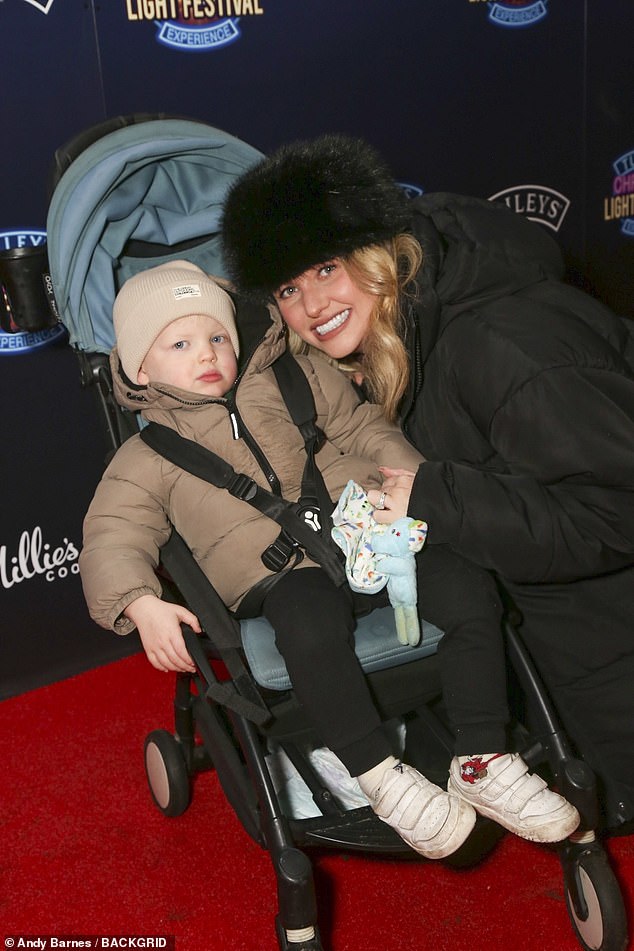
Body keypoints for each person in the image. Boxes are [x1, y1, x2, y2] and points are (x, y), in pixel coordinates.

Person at [80, 259, 579, 858]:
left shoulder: (296, 377)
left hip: (372, 536)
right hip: (282, 576)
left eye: (217, 336)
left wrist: (410, 478)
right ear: (139, 368)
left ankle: (482, 754)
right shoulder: (146, 456)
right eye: (180, 344)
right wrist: (139, 602)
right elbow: (112, 534)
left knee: (469, 587)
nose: (207, 353)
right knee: (309, 626)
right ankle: (377, 772)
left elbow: (363, 425)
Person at [220, 133, 634, 831]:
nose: (312, 303)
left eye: (326, 267)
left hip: (607, 619)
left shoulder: (506, 348)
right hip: (535, 608)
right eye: (289, 288)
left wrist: (435, 497)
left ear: (378, 249)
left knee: (610, 803)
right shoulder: (392, 335)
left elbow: (617, 512)